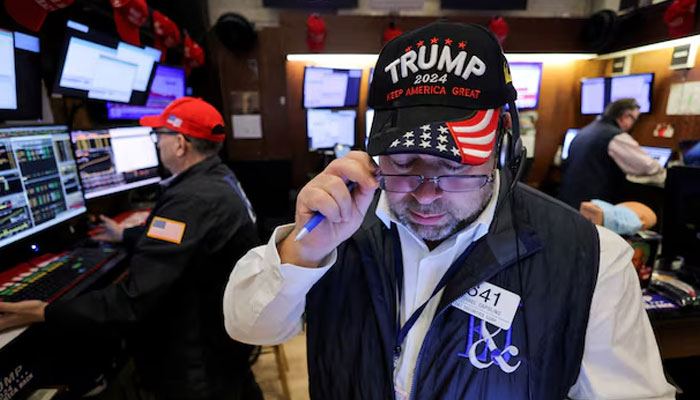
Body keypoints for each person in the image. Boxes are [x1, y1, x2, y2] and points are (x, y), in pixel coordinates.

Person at [223, 22, 675, 399]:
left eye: (454, 167)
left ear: (502, 143)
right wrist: (303, 252)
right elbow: (249, 328)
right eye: (401, 163)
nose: (424, 193)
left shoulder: (592, 258)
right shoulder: (341, 221)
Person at [0, 97, 263, 400]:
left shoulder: (191, 200)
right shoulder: (217, 179)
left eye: (159, 136)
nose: (156, 144)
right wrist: (128, 235)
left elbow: (132, 302)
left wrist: (43, 311)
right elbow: (189, 240)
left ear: (180, 143)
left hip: (197, 363)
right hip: (225, 342)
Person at [559, 98, 664, 209]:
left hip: (568, 199)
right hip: (592, 205)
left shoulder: (585, 130)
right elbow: (648, 166)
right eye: (634, 119)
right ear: (625, 116)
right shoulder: (615, 137)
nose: (633, 124)